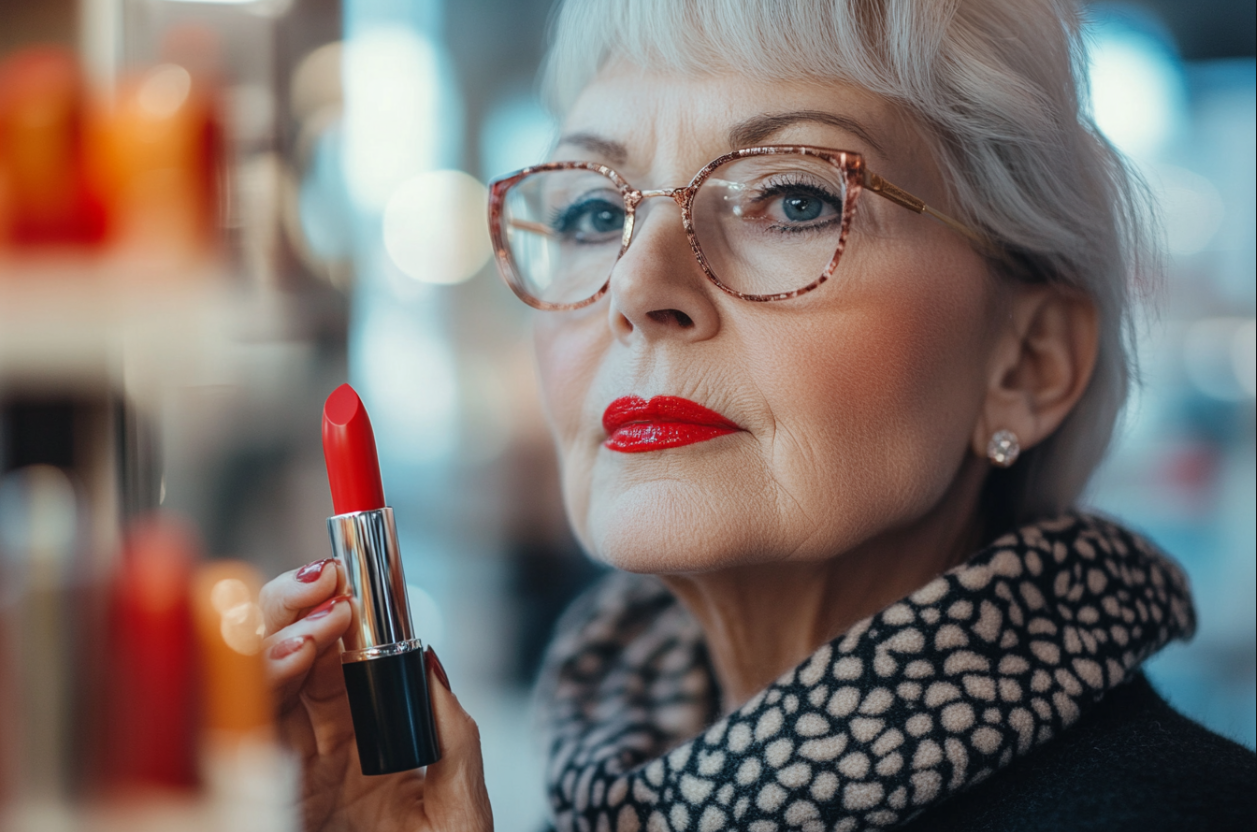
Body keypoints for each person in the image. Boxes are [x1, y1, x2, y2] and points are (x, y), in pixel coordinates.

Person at [259, 1, 1256, 829]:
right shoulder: (581, 781)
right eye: (596, 215)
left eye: (792, 199)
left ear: (1027, 362)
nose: (638, 288)